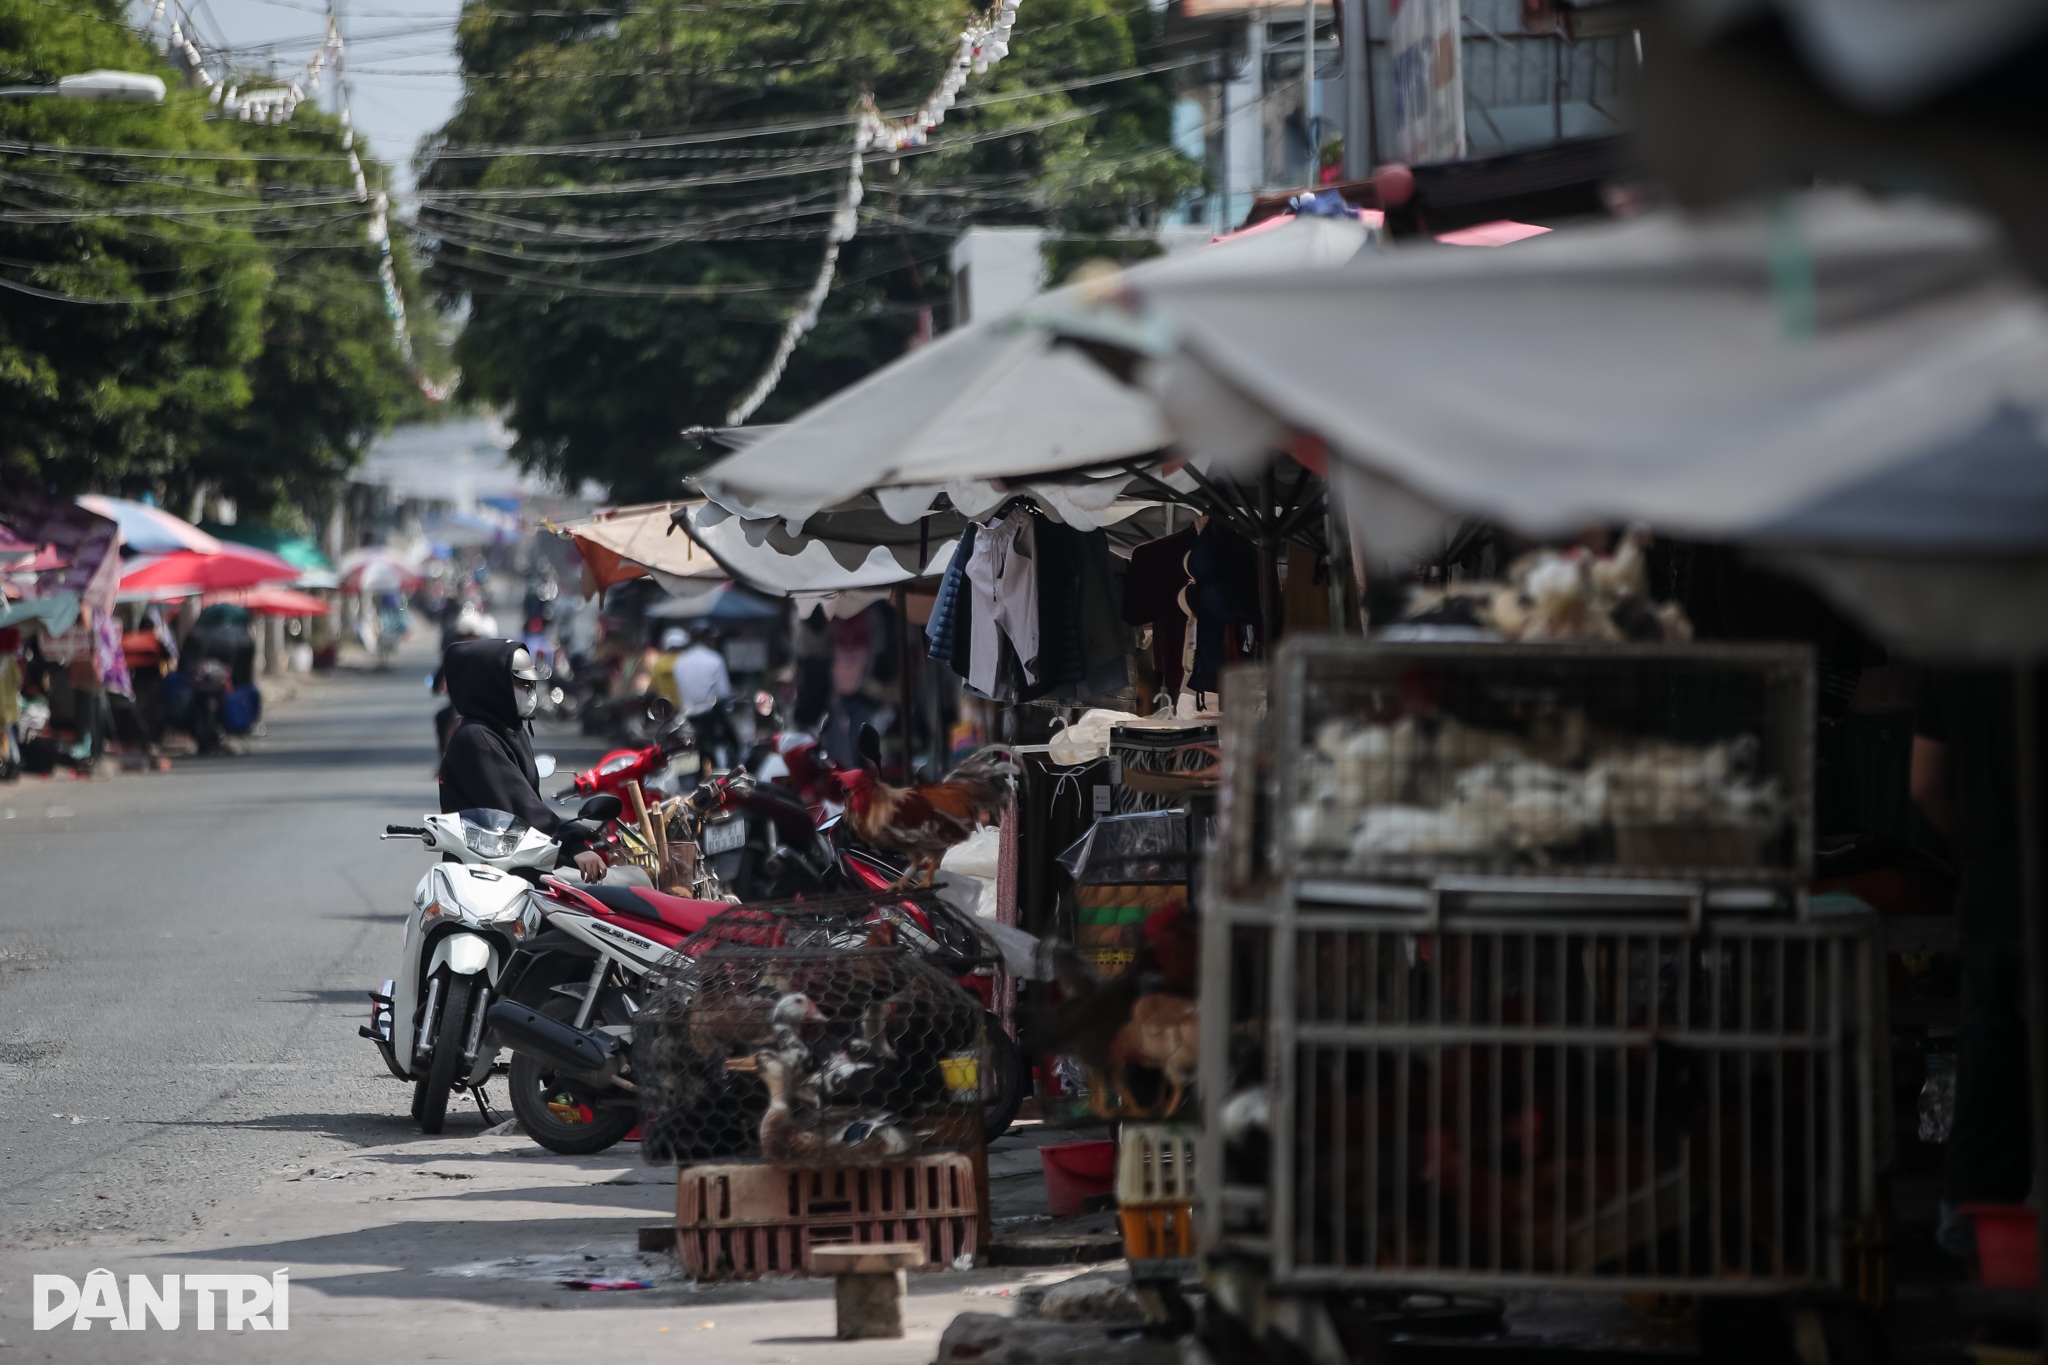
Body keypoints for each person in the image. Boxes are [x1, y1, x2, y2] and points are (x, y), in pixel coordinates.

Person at [1911, 667, 2035, 1255]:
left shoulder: (1957, 647)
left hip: (1992, 906)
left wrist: (1979, 844)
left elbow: (1925, 784)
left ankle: (1996, 1300)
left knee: (1988, 1107)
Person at [438, 639, 606, 882]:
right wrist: (570, 843)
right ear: (492, 685)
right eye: (521, 682)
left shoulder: (510, 731)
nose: (530, 689)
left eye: (531, 683)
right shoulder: (477, 740)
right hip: (486, 876)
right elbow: (519, 806)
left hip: (513, 863)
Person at [673, 625, 736, 766]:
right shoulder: (715, 659)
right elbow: (724, 692)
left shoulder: (679, 662)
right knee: (733, 744)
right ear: (709, 639)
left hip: (687, 718)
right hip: (711, 718)